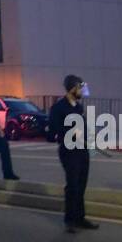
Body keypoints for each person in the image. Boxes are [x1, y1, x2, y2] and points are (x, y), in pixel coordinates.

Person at [47, 74, 98, 233]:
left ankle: (80, 217)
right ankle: (70, 219)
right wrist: (70, 132)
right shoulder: (59, 107)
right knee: (73, 185)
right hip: (69, 150)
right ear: (72, 89)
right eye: (79, 88)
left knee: (82, 184)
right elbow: (53, 130)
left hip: (82, 149)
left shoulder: (78, 107)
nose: (82, 92)